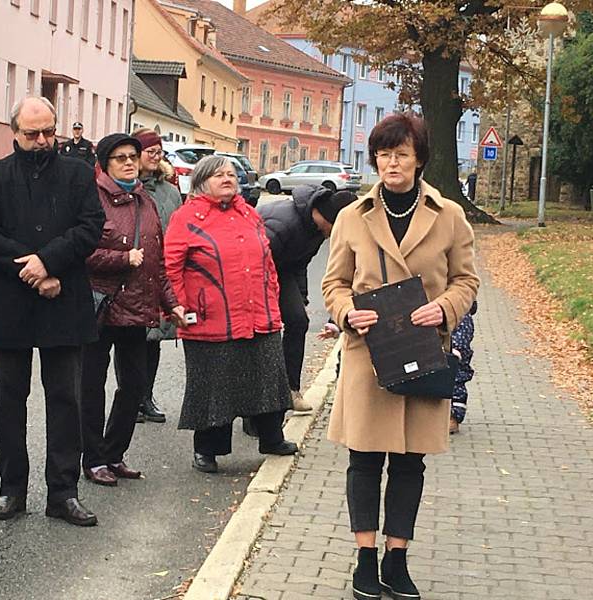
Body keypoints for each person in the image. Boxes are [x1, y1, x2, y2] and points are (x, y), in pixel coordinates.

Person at [321, 112, 479, 600]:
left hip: (422, 351)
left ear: (419, 159)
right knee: (364, 460)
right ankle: (364, 559)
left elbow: (466, 281)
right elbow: (334, 283)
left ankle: (398, 558)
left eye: (402, 154)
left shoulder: (449, 214)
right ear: (375, 159)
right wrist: (348, 312)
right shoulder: (352, 215)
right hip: (369, 354)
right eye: (384, 154)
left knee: (410, 464)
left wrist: (445, 308)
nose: (392, 163)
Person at [0, 97, 105, 527]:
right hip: (12, 302)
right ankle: (12, 489)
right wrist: (32, 269)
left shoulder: (80, 174)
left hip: (65, 300)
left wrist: (49, 261)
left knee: (66, 399)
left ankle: (63, 492)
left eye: (49, 132)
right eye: (32, 134)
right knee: (10, 399)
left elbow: (90, 227)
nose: (42, 141)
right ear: (15, 132)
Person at [164, 155, 299, 474]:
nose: (227, 178)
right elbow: (170, 267)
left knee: (267, 376)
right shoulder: (186, 218)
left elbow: (267, 261)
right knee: (214, 386)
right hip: (210, 315)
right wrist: (178, 304)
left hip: (258, 313)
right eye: (218, 175)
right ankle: (207, 450)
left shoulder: (249, 214)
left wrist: (272, 296)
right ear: (200, 183)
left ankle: (271, 437)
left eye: (231, 174)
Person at [81, 133, 184, 486]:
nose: (128, 162)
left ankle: (114, 453)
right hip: (99, 305)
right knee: (91, 385)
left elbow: (158, 263)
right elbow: (81, 252)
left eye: (132, 156)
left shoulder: (145, 201)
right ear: (105, 163)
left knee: (134, 384)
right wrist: (122, 258)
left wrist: (172, 304)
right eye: (120, 157)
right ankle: (93, 458)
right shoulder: (91, 199)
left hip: (137, 307)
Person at [258, 185, 357, 413]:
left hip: (281, 271)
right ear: (330, 219)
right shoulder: (284, 223)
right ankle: (257, 411)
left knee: (298, 320)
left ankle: (290, 390)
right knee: (265, 332)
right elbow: (257, 263)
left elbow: (300, 263)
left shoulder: (317, 229)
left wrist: (300, 297)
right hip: (253, 274)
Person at [133, 128, 183, 424]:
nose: (155, 156)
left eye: (158, 151)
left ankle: (146, 396)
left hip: (160, 273)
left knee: (153, 340)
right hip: (130, 272)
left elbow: (178, 228)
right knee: (132, 340)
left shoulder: (170, 191)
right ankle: (132, 397)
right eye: (149, 151)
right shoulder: (126, 186)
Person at [449, 301, 477, 434]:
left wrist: (456, 349)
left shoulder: (462, 315)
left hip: (456, 357)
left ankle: (454, 417)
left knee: (456, 384)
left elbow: (464, 335)